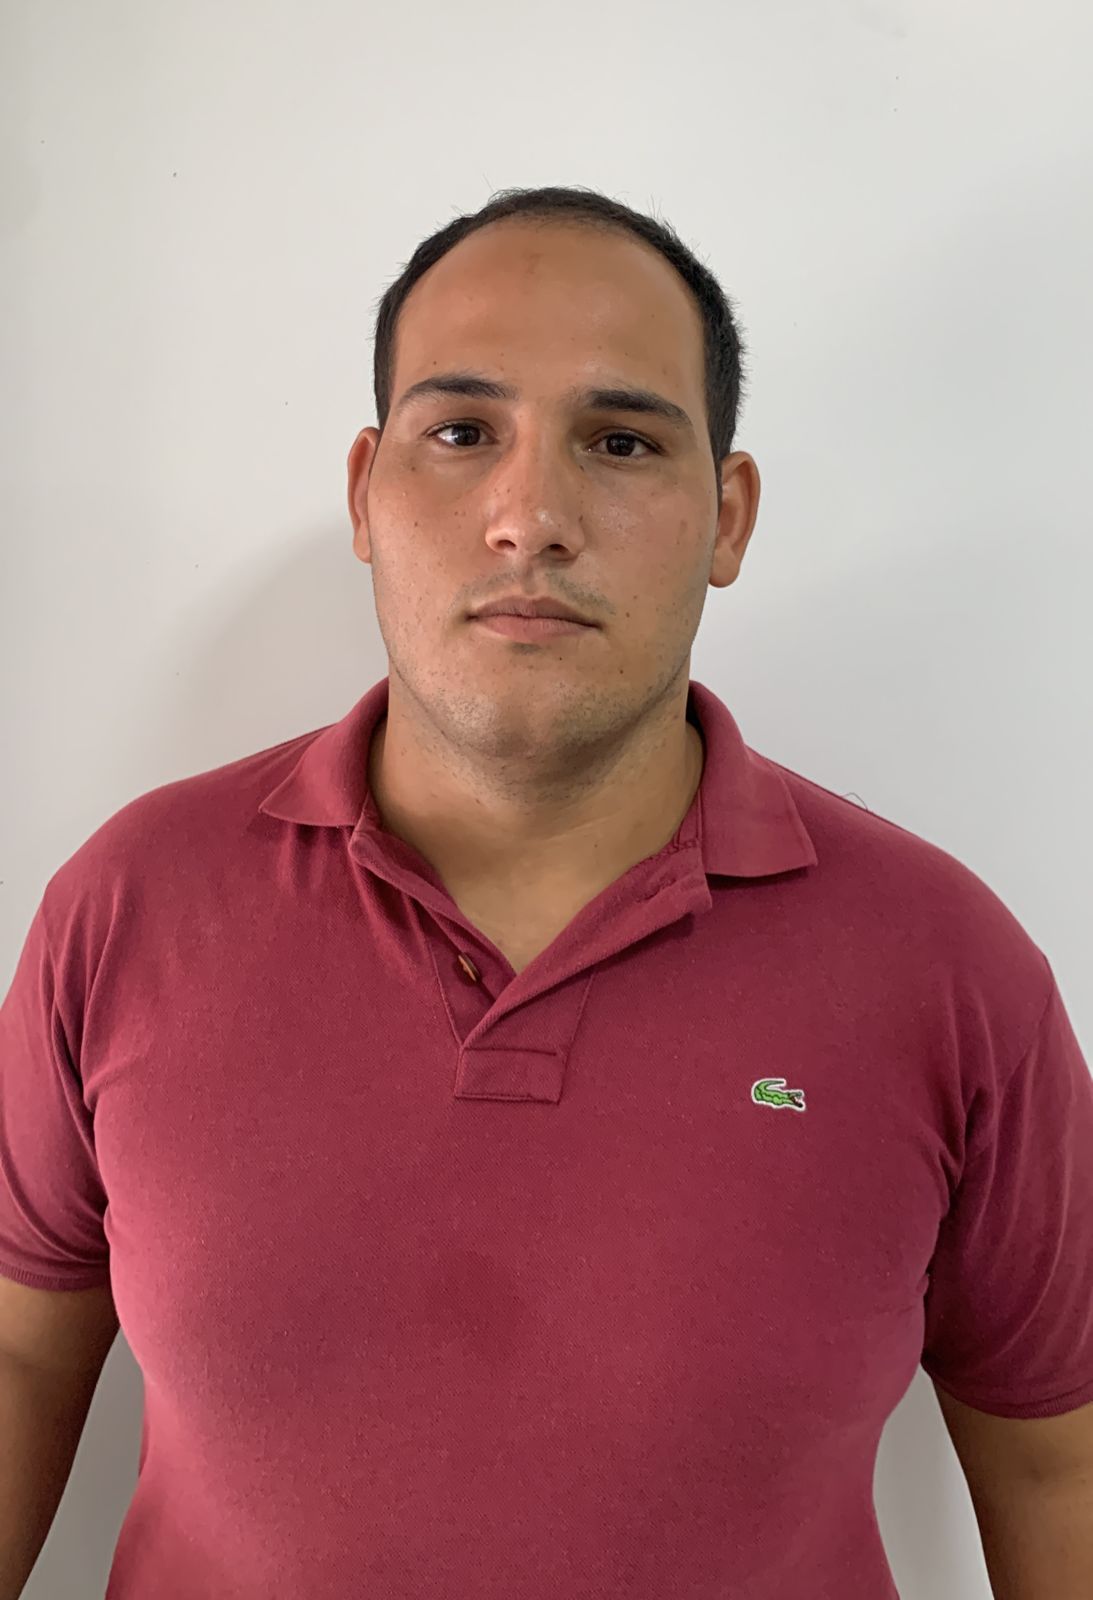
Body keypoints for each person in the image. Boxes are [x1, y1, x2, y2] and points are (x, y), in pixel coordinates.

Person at [2, 184, 1091, 1600]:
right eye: (461, 433)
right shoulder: (130, 906)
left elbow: (1060, 1463)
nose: (530, 517)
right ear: (365, 495)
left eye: (620, 441)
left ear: (727, 517)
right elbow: (20, 1352)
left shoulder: (946, 965)